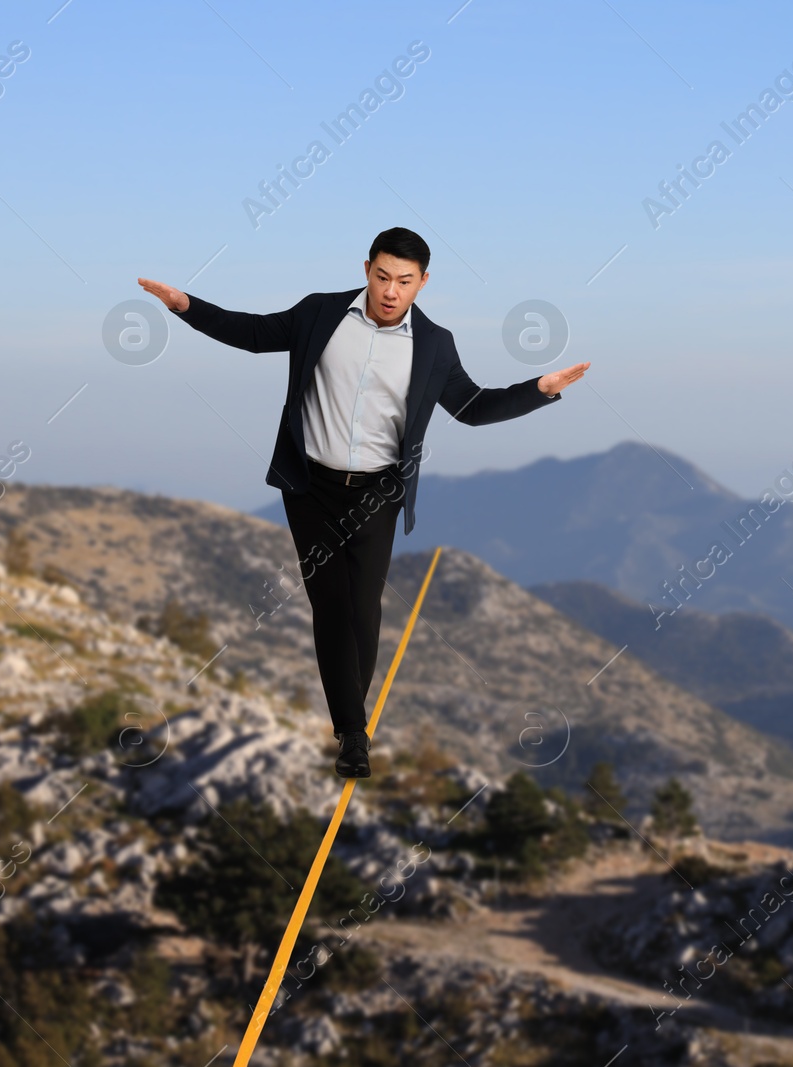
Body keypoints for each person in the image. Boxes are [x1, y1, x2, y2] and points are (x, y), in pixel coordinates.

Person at [138, 227, 589, 777]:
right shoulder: (319, 314)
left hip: (378, 491)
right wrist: (186, 306)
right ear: (366, 270)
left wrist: (538, 391)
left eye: (404, 281)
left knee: (363, 608)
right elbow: (253, 334)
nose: (390, 291)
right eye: (382, 277)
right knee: (329, 606)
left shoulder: (436, 344)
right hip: (310, 486)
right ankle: (353, 734)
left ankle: (352, 710)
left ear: (423, 283)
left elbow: (470, 407)